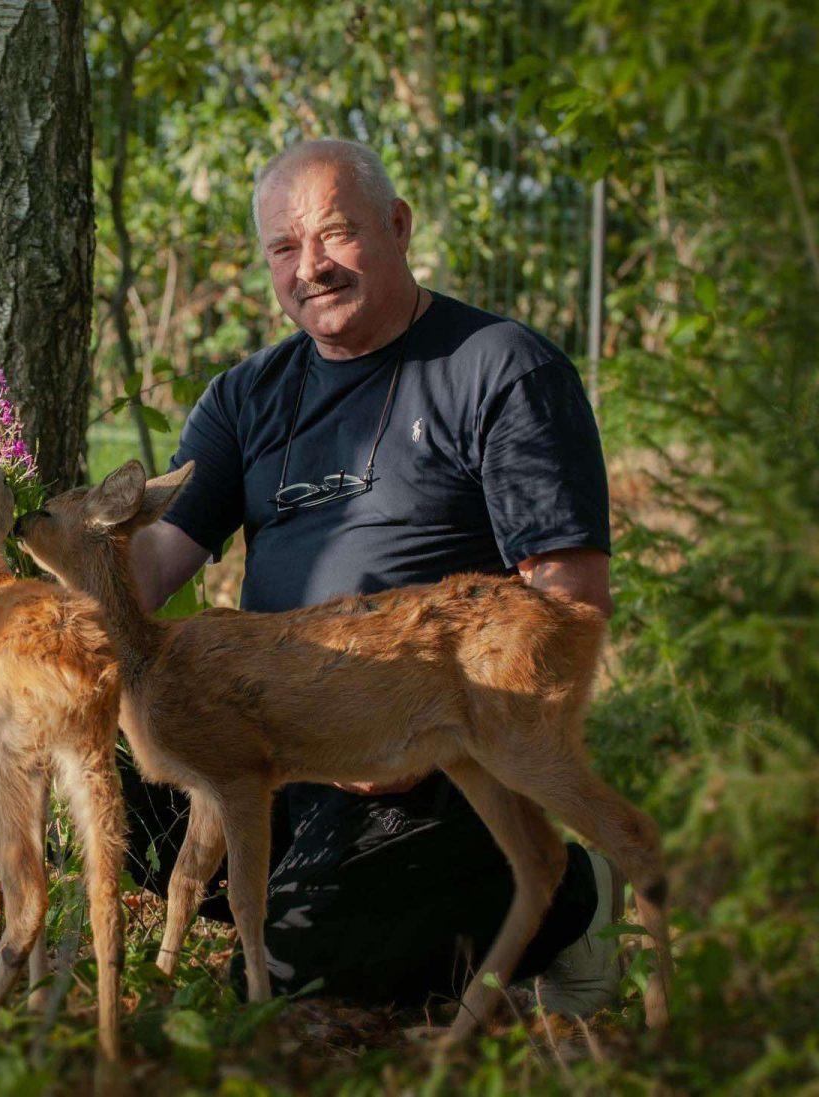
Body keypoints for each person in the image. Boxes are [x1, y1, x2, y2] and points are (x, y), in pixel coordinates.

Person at [123, 137, 621, 1014]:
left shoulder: (501, 367)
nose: (309, 267)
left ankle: (569, 899)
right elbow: (157, 560)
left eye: (335, 235)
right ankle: (355, 907)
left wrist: (411, 731)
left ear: (397, 226)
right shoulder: (245, 397)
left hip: (434, 748)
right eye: (284, 247)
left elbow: (568, 600)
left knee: (302, 969)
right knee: (113, 797)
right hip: (280, 740)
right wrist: (35, 567)